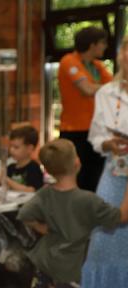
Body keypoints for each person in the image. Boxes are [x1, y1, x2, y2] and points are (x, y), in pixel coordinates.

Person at [17, 139, 128, 288]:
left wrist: (44, 229)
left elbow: (25, 214)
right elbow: (121, 217)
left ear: (49, 170)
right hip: (68, 273)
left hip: (44, 266)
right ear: (77, 163)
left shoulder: (45, 194)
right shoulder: (88, 201)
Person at [81, 37, 128, 288]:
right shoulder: (106, 93)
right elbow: (95, 136)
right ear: (121, 55)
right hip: (114, 168)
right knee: (100, 238)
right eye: (126, 53)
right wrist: (108, 143)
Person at [58, 26, 113, 192]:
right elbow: (87, 89)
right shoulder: (69, 61)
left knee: (96, 177)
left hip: (96, 129)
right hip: (74, 130)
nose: (105, 47)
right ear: (92, 44)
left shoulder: (97, 65)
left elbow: (116, 87)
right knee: (75, 177)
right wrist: (106, 88)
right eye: (102, 43)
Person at [0, 125, 44, 192]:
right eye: (10, 146)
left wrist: (7, 180)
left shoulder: (34, 168)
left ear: (29, 149)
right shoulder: (10, 168)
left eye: (16, 147)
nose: (11, 150)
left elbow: (31, 190)